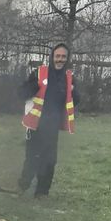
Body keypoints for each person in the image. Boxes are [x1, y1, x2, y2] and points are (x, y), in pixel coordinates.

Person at [18, 43, 79, 197]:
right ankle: (22, 187)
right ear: (52, 57)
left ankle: (42, 193)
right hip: (36, 124)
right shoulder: (39, 73)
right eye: (57, 56)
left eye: (63, 56)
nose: (60, 59)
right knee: (32, 158)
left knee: (50, 160)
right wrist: (33, 87)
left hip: (53, 126)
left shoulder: (69, 78)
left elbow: (75, 100)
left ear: (67, 58)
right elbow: (21, 93)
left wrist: (73, 92)